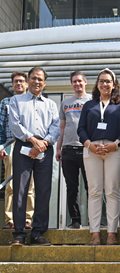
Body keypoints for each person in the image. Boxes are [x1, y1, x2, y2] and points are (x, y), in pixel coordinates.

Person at [77, 68, 120, 245]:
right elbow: (81, 129)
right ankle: (95, 233)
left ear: (114, 84)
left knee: (112, 190)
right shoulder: (89, 105)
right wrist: (89, 145)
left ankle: (112, 232)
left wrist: (116, 144)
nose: (105, 84)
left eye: (108, 81)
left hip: (114, 150)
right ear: (97, 84)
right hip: (92, 150)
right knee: (94, 191)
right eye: (102, 81)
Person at [9, 67, 60, 246]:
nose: (36, 82)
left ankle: (38, 233)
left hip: (45, 148)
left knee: (43, 191)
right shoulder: (16, 100)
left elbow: (55, 127)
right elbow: (14, 124)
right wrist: (31, 140)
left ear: (44, 83)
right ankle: (19, 234)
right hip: (24, 146)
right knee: (21, 191)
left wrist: (43, 144)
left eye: (40, 79)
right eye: (33, 78)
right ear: (28, 80)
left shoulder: (51, 104)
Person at [56, 71, 91, 229]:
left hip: (87, 149)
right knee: (72, 187)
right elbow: (61, 127)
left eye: (80, 81)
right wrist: (58, 148)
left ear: (85, 82)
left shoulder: (92, 100)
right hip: (68, 149)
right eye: (74, 82)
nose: (77, 84)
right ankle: (75, 220)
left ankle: (93, 219)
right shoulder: (65, 103)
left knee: (91, 186)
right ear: (72, 84)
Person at [0, 72, 35, 230]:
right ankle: (10, 219)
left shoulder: (32, 101)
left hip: (29, 144)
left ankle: (28, 219)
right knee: (11, 184)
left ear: (27, 83)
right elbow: (0, 126)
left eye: (21, 81)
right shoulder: (5, 102)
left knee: (30, 184)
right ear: (12, 84)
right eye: (15, 81)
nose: (19, 84)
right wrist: (1, 146)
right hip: (11, 144)